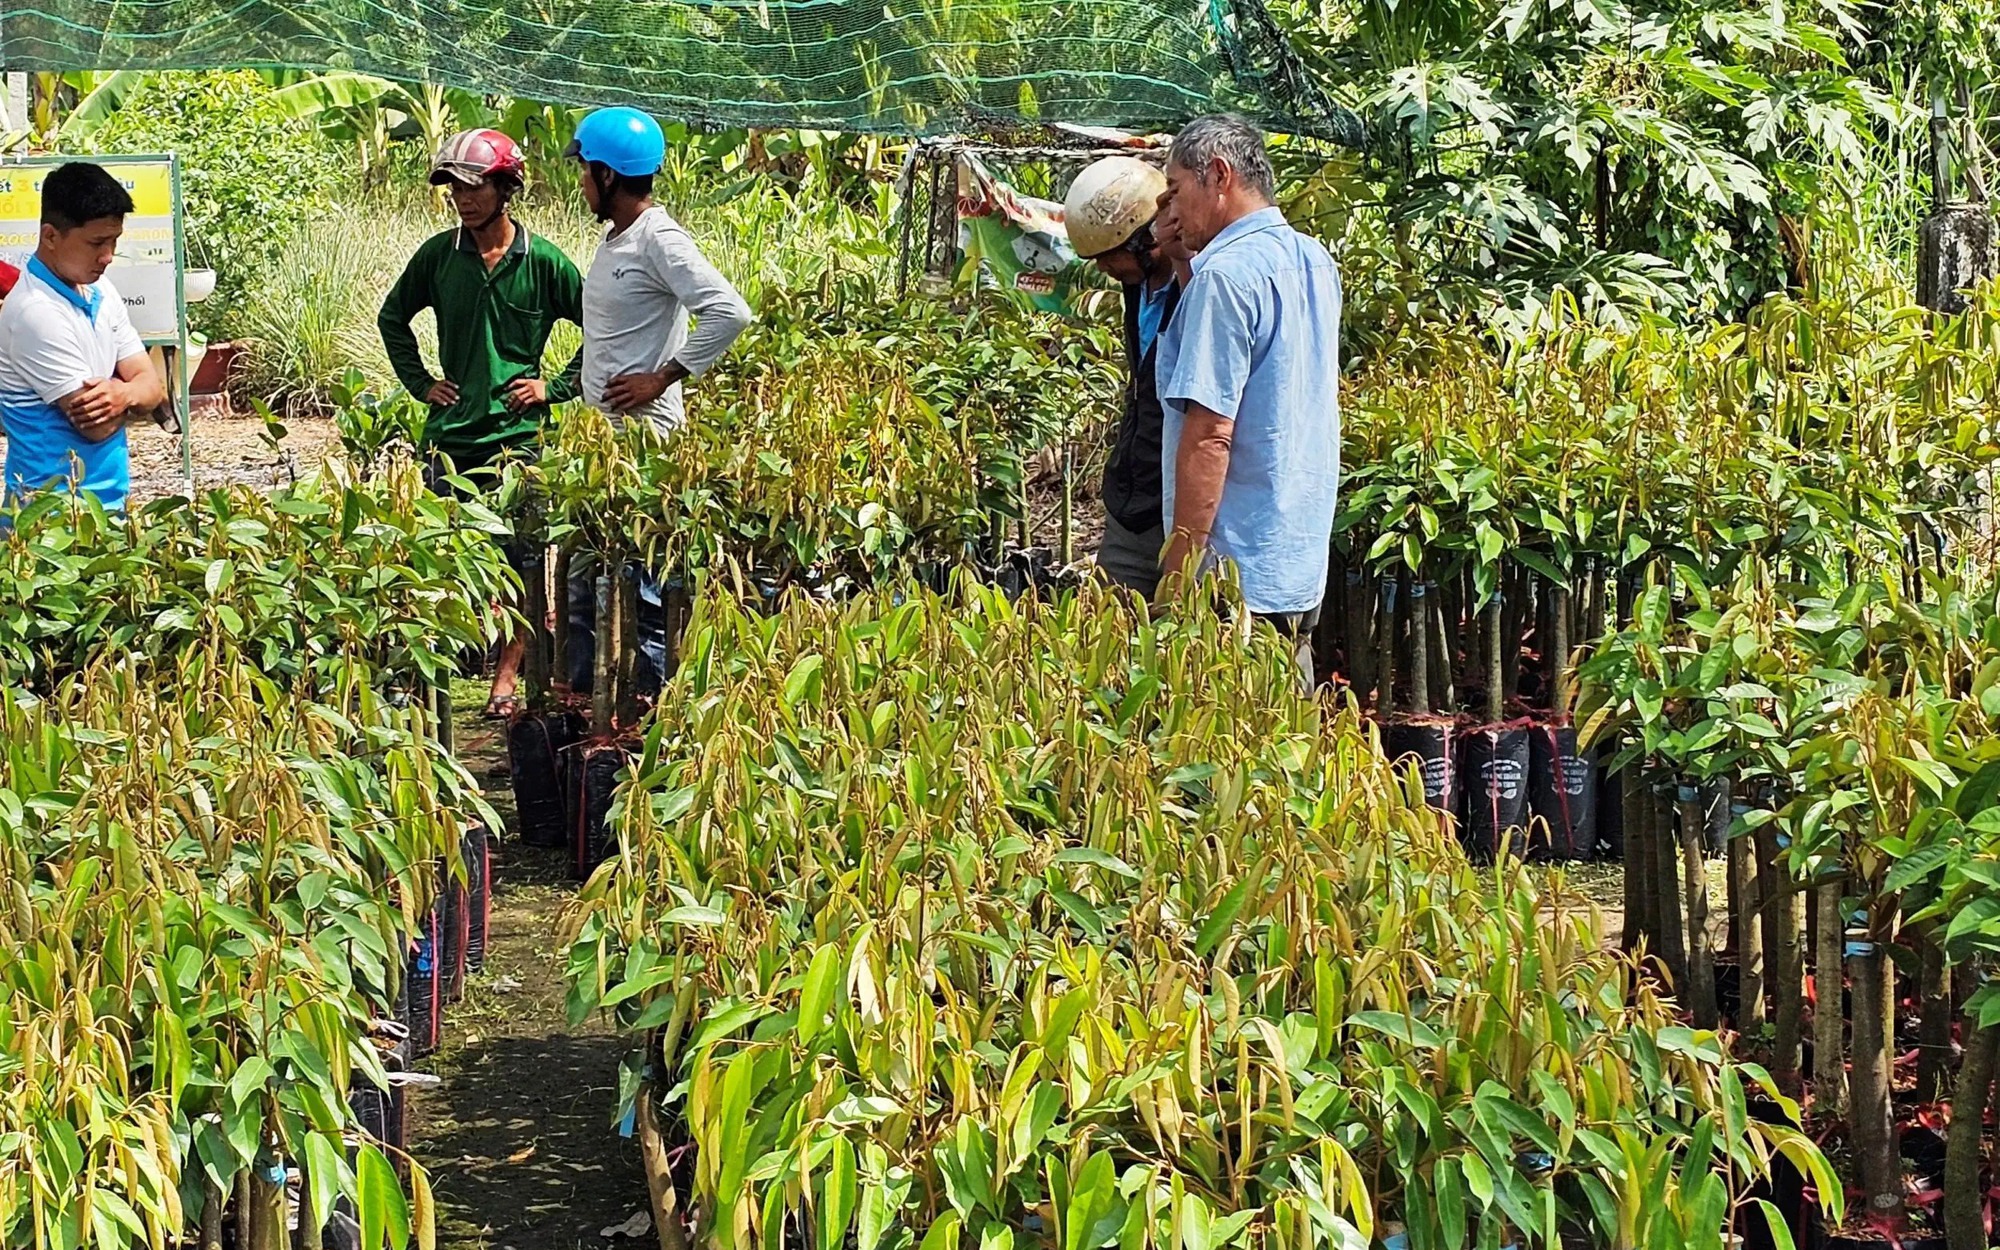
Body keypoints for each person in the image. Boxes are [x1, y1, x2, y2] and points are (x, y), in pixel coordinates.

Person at [379, 128, 586, 717]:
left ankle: (506, 676)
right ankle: (433, 675)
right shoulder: (439, 257)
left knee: (522, 559)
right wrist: (422, 384)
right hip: (452, 436)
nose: (463, 199)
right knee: (440, 555)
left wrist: (556, 387)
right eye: (454, 189)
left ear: (505, 188)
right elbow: (393, 318)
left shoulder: (543, 262)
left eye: (474, 187)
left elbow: (601, 329)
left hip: (519, 440)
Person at [563, 107, 754, 691]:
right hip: (605, 441)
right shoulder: (616, 236)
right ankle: (598, 706)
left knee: (643, 586)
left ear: (608, 176)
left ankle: (650, 712)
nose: (580, 183)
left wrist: (665, 375)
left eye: (584, 172)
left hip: (645, 439)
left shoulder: (659, 239)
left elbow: (730, 311)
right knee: (591, 580)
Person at [1152, 114, 1342, 685]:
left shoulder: (1227, 277)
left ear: (1218, 175)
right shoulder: (1314, 260)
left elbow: (1211, 435)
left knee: (1221, 758)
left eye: (1177, 190)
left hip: (1231, 583)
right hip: (1296, 562)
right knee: (1287, 752)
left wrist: (1177, 580)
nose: (1171, 212)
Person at [0, 162, 164, 512]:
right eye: (96, 243)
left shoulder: (101, 290)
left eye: (114, 241)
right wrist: (137, 393)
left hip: (109, 509)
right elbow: (98, 428)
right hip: (51, 520)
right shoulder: (34, 312)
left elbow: (155, 387)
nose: (107, 256)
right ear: (51, 237)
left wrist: (123, 394)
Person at [1063, 155, 1181, 599]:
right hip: (1132, 505)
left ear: (1146, 239)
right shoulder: (1139, 289)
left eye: (1108, 257)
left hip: (1176, 507)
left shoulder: (1202, 288)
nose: (1103, 271)